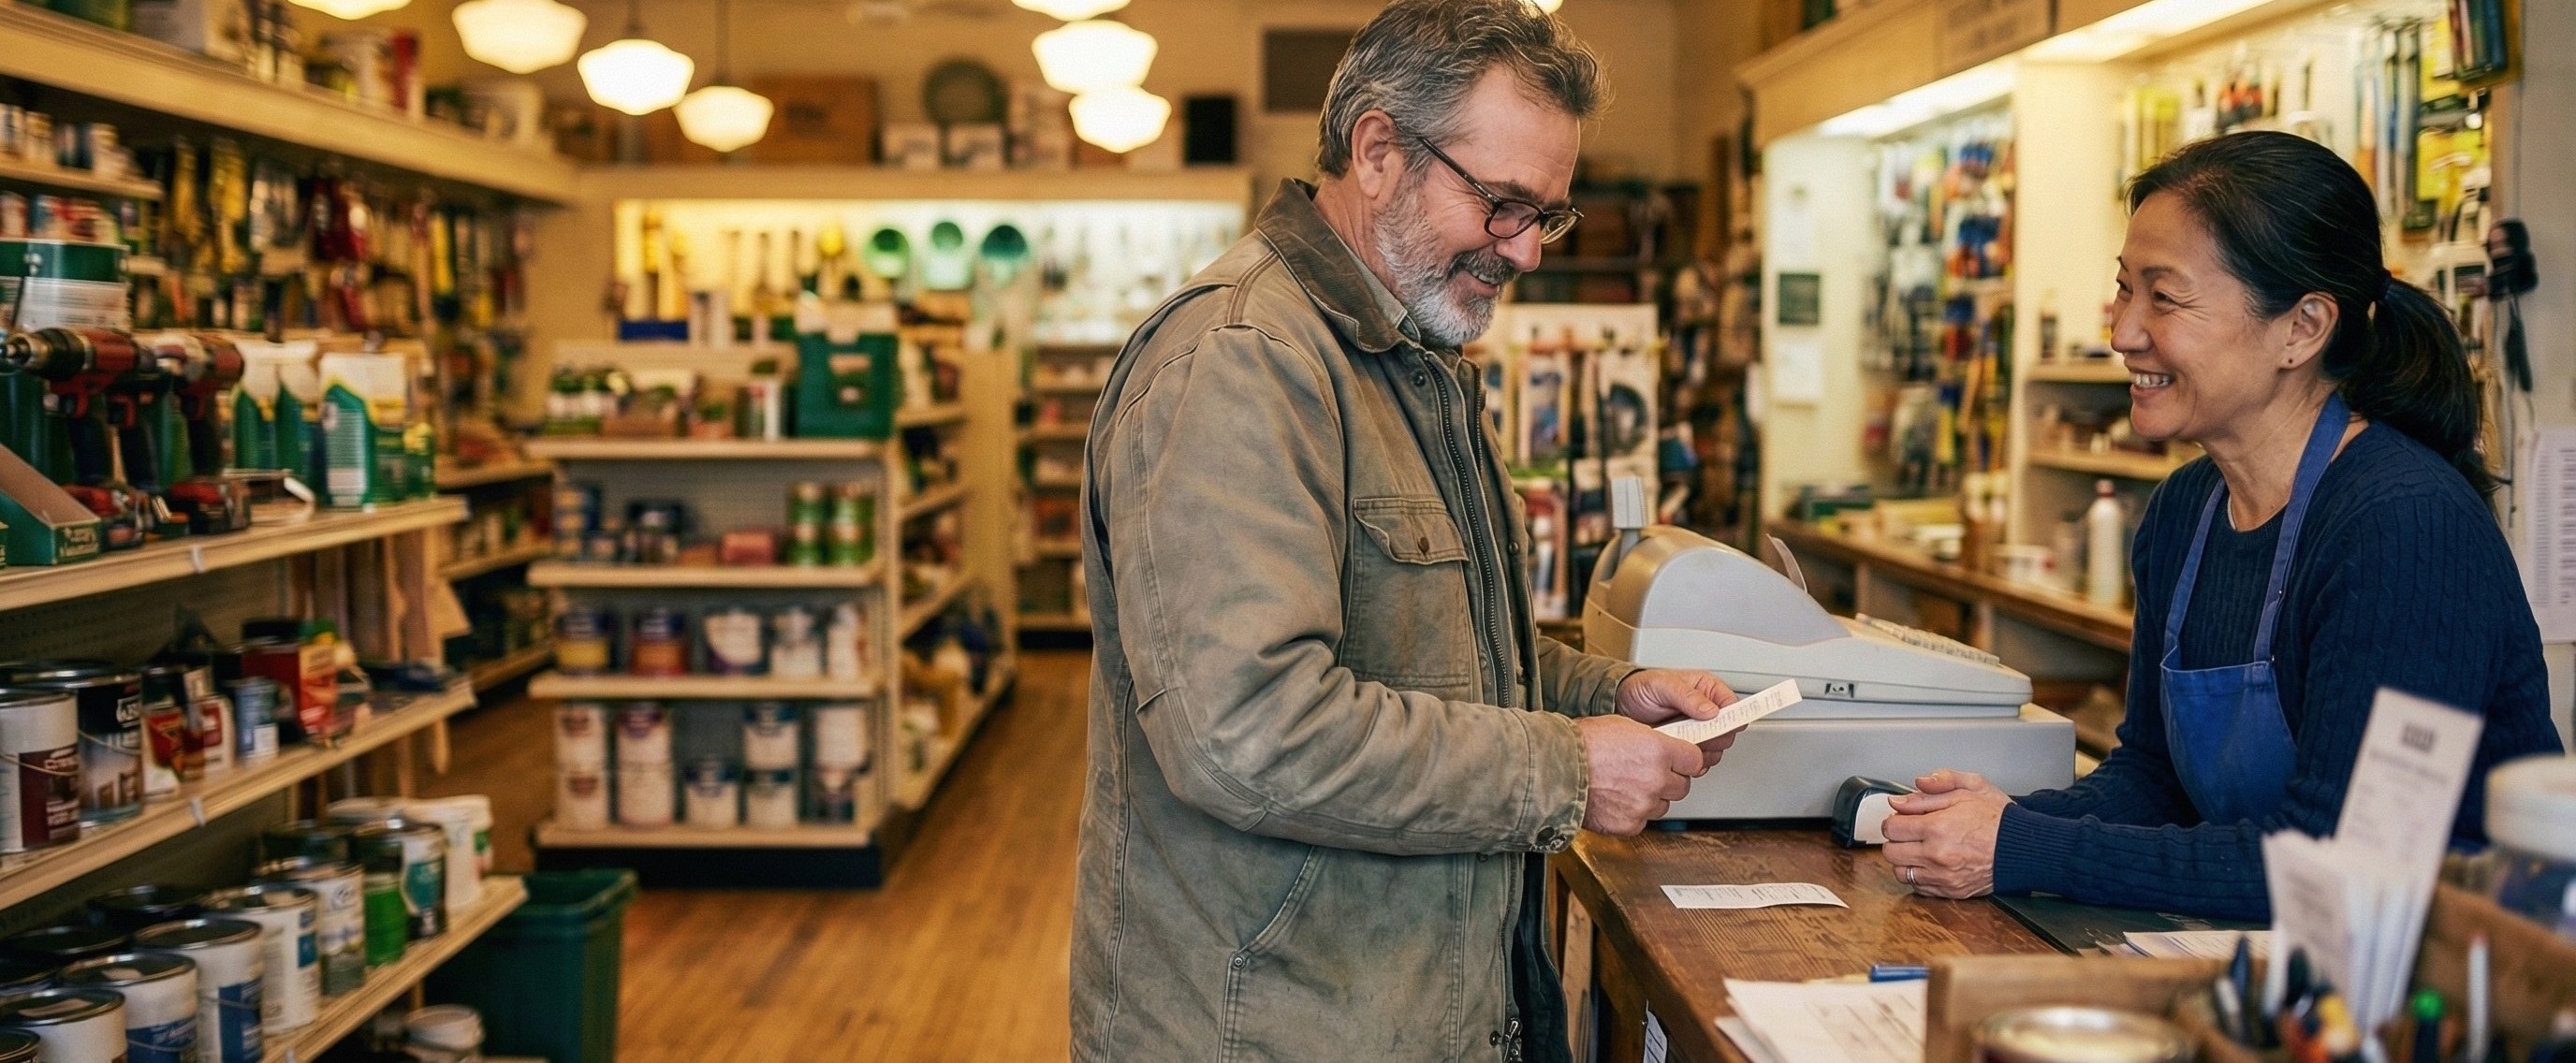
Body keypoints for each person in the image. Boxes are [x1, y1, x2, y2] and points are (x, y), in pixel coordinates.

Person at [1067, 2, 1742, 1059]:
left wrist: (1604, 694)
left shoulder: (1410, 357)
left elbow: (1433, 652)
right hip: (1272, 1030)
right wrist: (1567, 766)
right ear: (1377, 150)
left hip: (1396, 1009)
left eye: (1548, 216)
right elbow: (1247, 732)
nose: (1524, 251)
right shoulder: (1241, 363)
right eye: (1503, 203)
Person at [1881, 131, 2565, 920]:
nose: (2124, 331)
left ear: (2303, 328)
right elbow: (2155, 778)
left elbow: (2347, 860)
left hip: (2456, 990)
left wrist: (2024, 847)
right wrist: (1990, 822)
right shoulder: (2185, 511)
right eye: (2123, 289)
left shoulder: (2403, 526)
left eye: (2164, 298)